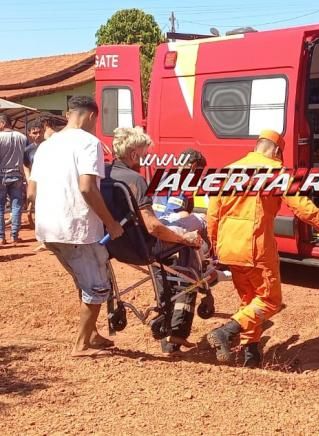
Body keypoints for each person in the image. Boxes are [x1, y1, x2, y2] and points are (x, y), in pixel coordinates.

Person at [206, 129, 319, 368]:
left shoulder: (228, 170)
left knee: (250, 302)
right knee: (270, 301)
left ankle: (251, 356)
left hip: (229, 246)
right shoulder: (275, 173)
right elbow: (302, 206)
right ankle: (226, 332)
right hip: (255, 247)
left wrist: (215, 244)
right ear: (277, 150)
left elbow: (212, 214)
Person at [27, 96, 124, 357]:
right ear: (92, 116)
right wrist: (111, 223)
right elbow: (87, 187)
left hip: (48, 228)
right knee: (97, 287)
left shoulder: (46, 146)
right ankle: (81, 345)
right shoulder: (89, 143)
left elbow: (32, 191)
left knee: (83, 281)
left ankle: (92, 333)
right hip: (77, 229)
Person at [107, 127, 203, 355]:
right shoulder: (136, 180)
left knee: (164, 268)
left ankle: (167, 319)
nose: (145, 158)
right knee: (190, 273)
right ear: (133, 154)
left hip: (117, 246)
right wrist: (185, 237)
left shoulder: (106, 175)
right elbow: (154, 227)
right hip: (145, 245)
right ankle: (176, 335)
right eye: (143, 153)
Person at [152, 148, 208, 239]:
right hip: (166, 227)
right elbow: (177, 214)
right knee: (203, 219)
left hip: (156, 225)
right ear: (193, 166)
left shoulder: (165, 176)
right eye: (199, 171)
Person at [0, 113, 27, 245]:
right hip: (17, 175)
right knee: (16, 206)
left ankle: (1, 237)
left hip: (1, 176)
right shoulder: (22, 137)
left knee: (0, 207)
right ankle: (14, 236)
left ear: (3, 123)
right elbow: (26, 157)